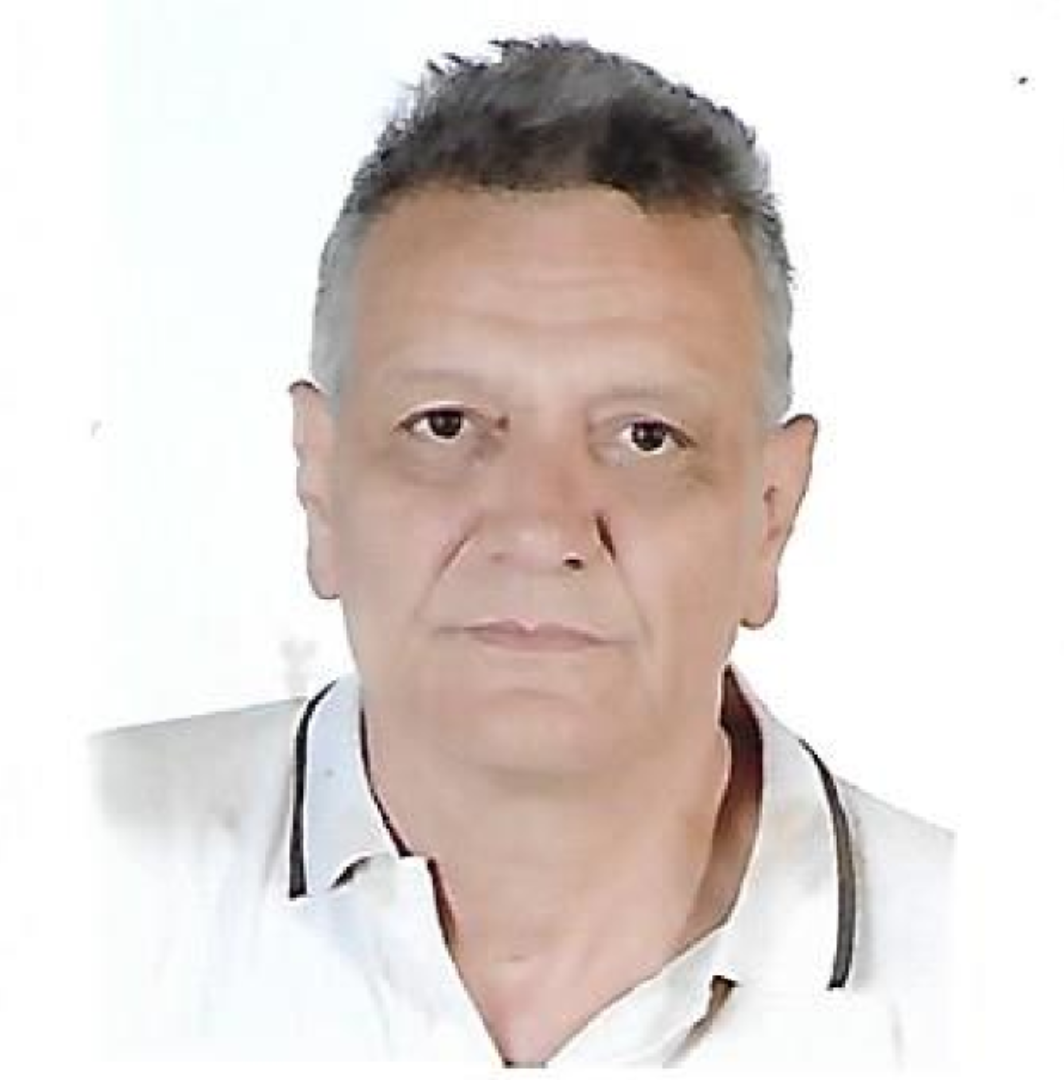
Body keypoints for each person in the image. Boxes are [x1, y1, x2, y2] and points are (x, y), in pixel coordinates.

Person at [90, 36, 951, 1067]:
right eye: (446, 424)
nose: (541, 529)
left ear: (771, 512)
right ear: (319, 483)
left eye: (645, 437)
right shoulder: (54, 885)